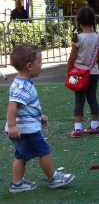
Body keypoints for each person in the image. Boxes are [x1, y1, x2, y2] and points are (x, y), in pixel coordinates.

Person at [6, 44, 76, 193]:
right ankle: (53, 178)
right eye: (40, 62)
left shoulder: (20, 83)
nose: (41, 65)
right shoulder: (23, 86)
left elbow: (25, 108)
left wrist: (38, 117)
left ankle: (17, 184)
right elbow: (13, 105)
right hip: (26, 130)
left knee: (21, 156)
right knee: (44, 151)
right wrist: (12, 126)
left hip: (24, 127)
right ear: (30, 66)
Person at [67, 6, 99, 138]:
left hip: (78, 72)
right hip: (93, 72)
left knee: (79, 99)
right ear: (94, 21)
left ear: (79, 21)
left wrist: (69, 71)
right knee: (92, 97)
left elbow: (72, 58)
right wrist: (98, 70)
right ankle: (95, 125)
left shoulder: (78, 38)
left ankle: (77, 128)